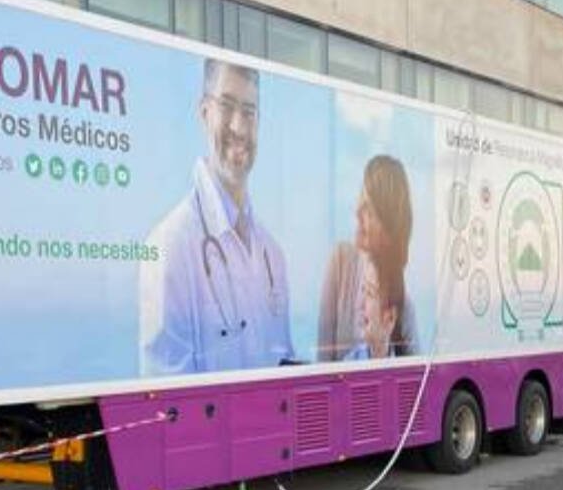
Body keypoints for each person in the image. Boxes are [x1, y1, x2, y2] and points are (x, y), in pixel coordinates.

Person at [139, 58, 293, 376]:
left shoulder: (272, 255)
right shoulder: (170, 246)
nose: (238, 127)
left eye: (249, 112)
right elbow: (169, 395)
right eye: (227, 106)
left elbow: (285, 369)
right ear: (205, 112)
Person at [317, 154, 417, 361]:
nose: (357, 211)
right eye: (360, 199)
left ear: (388, 227)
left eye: (368, 208)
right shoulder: (340, 262)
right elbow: (322, 363)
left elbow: (418, 372)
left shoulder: (402, 304)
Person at [344, 252, 404, 360]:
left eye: (370, 293)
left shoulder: (408, 364)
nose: (360, 304)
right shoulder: (348, 365)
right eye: (363, 290)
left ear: (390, 318)